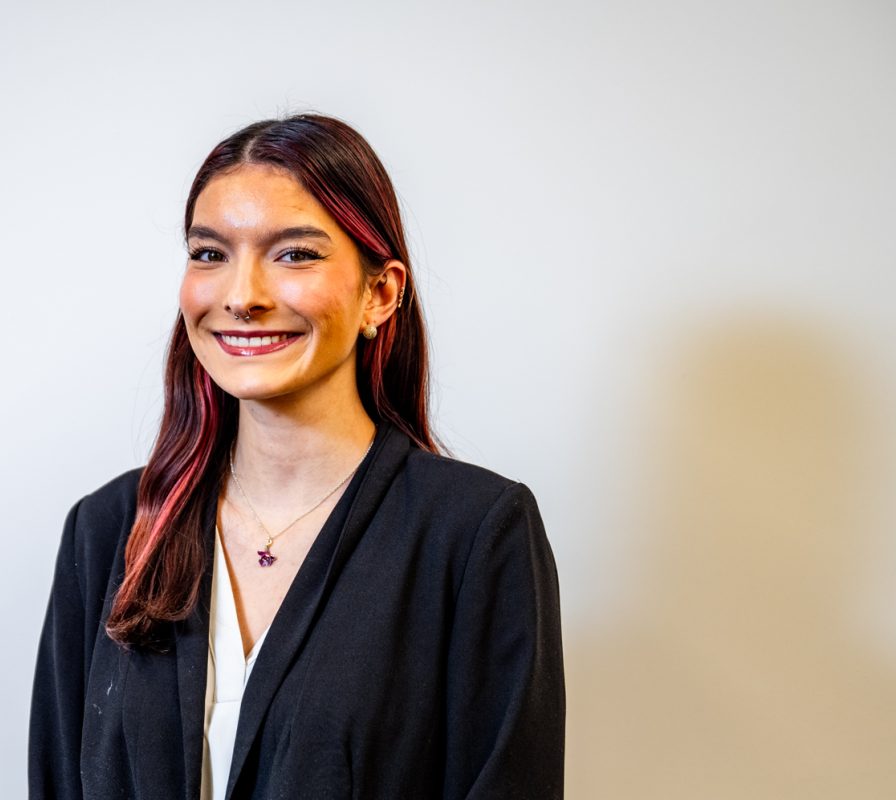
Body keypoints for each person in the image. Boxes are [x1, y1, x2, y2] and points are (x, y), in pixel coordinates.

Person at [28, 113, 565, 800]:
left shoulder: (474, 535)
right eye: (210, 253)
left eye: (294, 254)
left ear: (381, 293)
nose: (241, 296)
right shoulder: (109, 530)